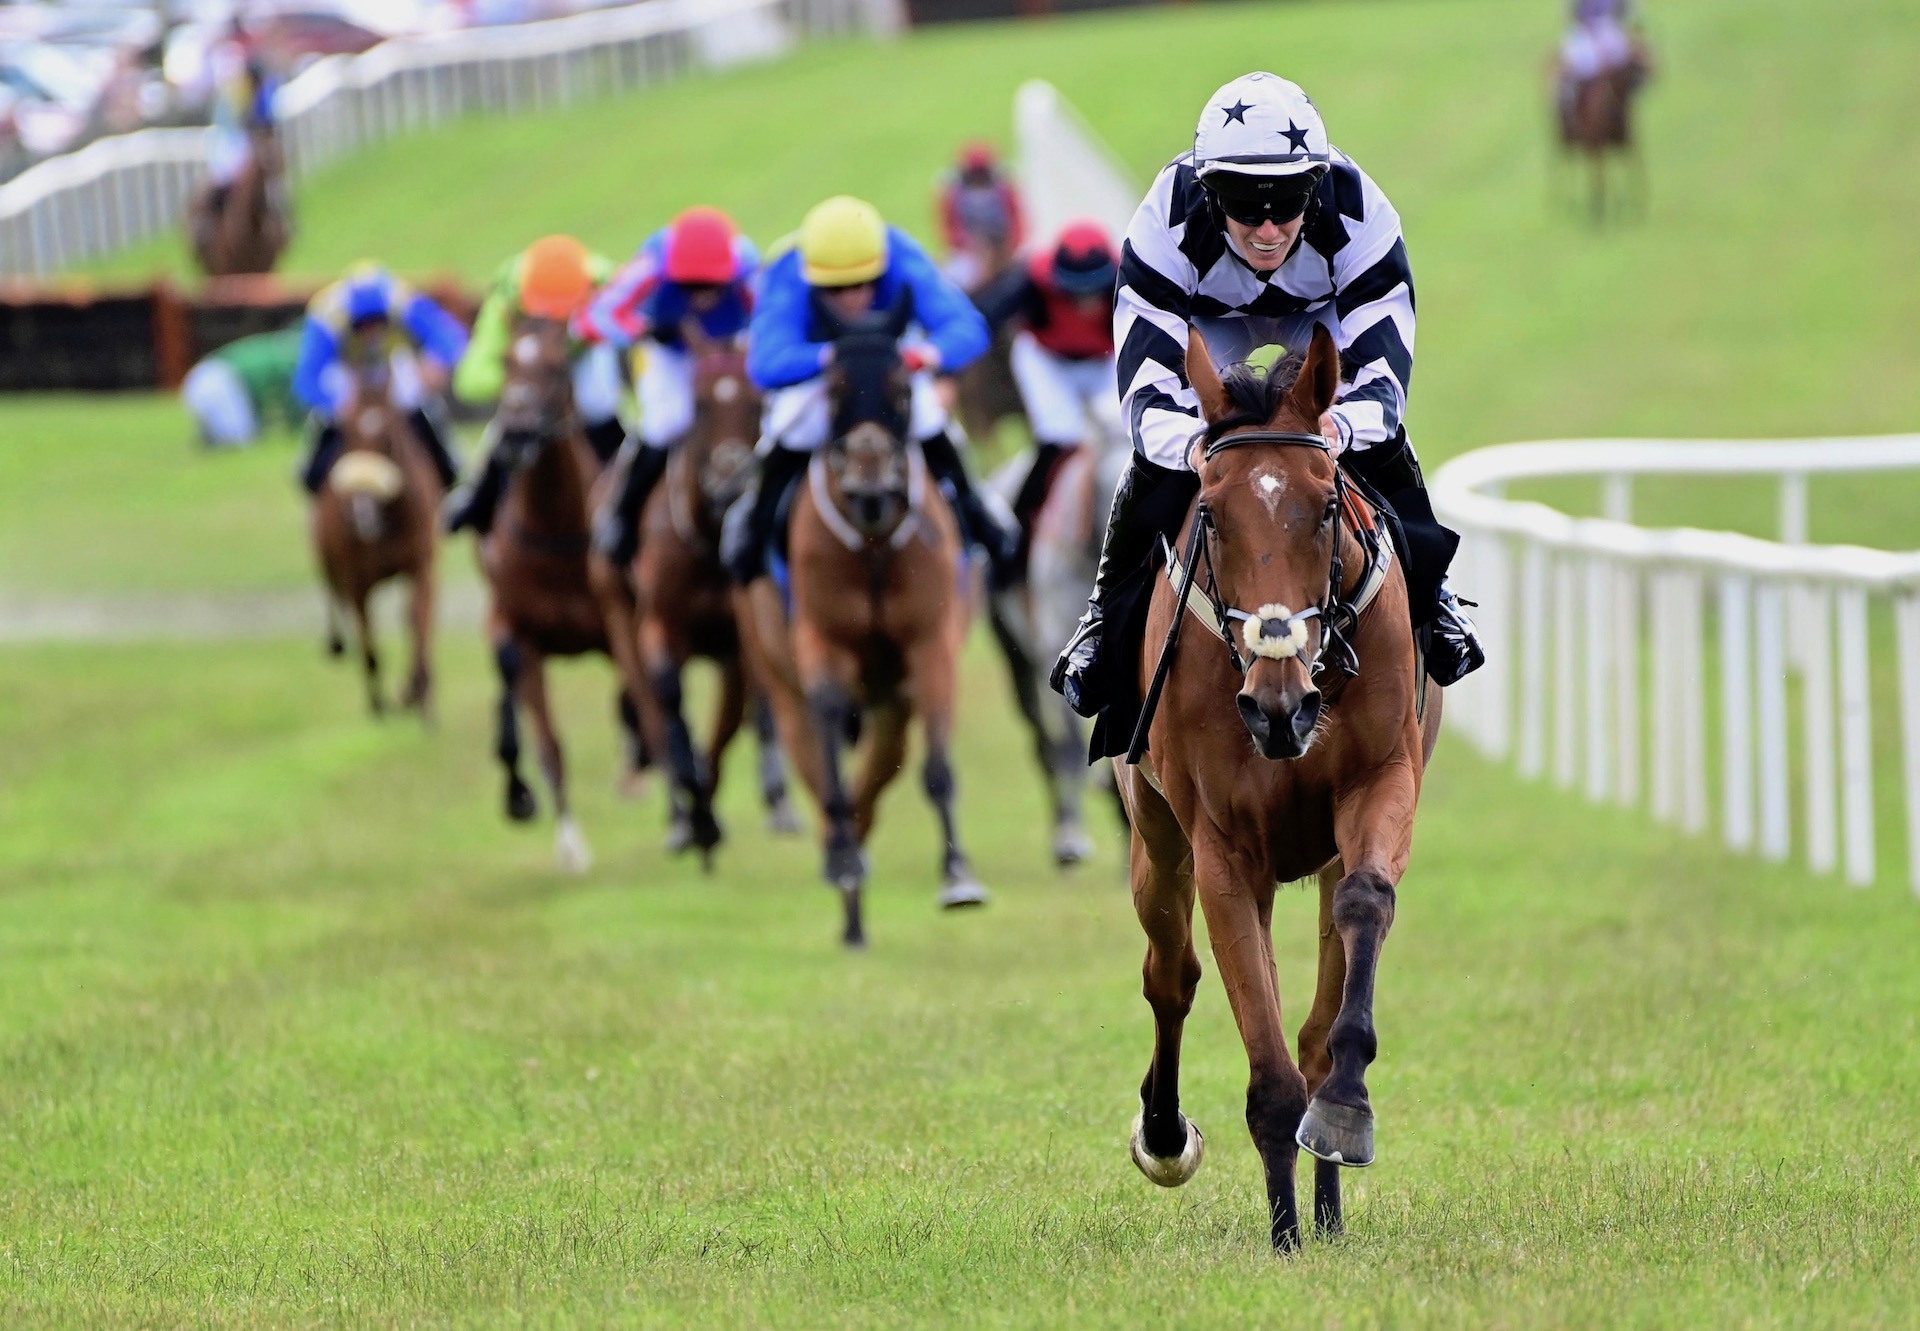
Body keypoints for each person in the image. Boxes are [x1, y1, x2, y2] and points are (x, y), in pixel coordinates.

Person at [1051, 71, 1484, 741]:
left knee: (1383, 442)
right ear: (1207, 193)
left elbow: (1382, 382)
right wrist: (1193, 445)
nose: (1268, 228)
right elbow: (1147, 397)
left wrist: (1342, 424)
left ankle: (1436, 594)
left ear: (1315, 188)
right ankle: (1104, 615)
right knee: (1160, 464)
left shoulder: (1360, 213)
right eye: (1244, 207)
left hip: (1321, 319)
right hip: (1209, 325)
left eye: (1287, 205)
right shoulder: (1163, 223)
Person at [722, 194, 1016, 586]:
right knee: (789, 429)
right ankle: (755, 526)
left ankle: (978, 513)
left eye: (864, 284)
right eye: (835, 289)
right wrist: (830, 357)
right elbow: (766, 363)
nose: (851, 298)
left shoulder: (902, 255)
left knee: (931, 420)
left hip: (889, 370)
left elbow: (967, 328)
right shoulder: (788, 270)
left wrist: (928, 354)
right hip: (824, 380)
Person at [576, 207, 759, 565]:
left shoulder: (750, 268)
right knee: (666, 423)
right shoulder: (650, 265)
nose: (701, 297)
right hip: (669, 351)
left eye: (712, 286)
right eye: (689, 286)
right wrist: (643, 330)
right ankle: (622, 515)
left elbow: (769, 321)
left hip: (732, 346)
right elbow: (593, 317)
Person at [444, 234, 622, 534]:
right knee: (512, 413)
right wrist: (526, 381)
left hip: (580, 352)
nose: (551, 318)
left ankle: (625, 491)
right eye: (544, 311)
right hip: (530, 368)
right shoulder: (506, 297)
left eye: (561, 312)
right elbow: (470, 379)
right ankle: (476, 496)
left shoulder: (607, 283)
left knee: (598, 401)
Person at [974, 219, 1122, 576]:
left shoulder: (1128, 277)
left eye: (1093, 292)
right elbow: (983, 316)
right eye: (1075, 293)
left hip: (1104, 358)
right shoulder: (1031, 278)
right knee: (1060, 439)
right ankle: (1014, 543)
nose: (1085, 302)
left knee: (1127, 435)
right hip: (1047, 360)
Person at [291, 264, 468, 496]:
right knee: (327, 414)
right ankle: (313, 473)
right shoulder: (326, 315)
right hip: (346, 370)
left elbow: (450, 338)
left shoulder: (403, 300)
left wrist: (436, 362)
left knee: (420, 400)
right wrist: (333, 403)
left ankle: (448, 465)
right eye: (362, 326)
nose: (371, 333)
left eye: (378, 323)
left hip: (393, 365)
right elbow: (306, 378)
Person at [181, 325, 304, 449]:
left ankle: (212, 435)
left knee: (239, 435)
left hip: (197, 377)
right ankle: (215, 437)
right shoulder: (290, 358)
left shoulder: (276, 345)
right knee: (244, 441)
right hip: (221, 382)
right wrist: (297, 426)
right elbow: (293, 399)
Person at [205, 18, 278, 208]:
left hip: (254, 133)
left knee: (271, 172)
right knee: (225, 175)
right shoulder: (228, 61)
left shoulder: (254, 66)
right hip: (232, 136)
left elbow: (266, 112)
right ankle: (213, 217)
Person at [936, 141, 1026, 292]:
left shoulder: (1004, 189)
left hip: (1003, 245)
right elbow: (949, 226)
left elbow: (1017, 220)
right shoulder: (954, 193)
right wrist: (967, 244)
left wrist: (1010, 246)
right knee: (953, 279)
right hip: (968, 249)